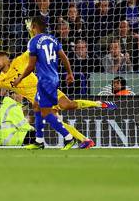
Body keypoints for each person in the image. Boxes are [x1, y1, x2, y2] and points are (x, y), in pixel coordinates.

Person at [11, 17, 97, 150]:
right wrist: (70, 73)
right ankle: (39, 141)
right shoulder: (53, 39)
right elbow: (64, 57)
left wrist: (19, 78)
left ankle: (69, 138)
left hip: (45, 81)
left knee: (46, 112)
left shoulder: (33, 42)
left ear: (34, 27)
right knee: (36, 106)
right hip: (53, 78)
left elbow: (30, 66)